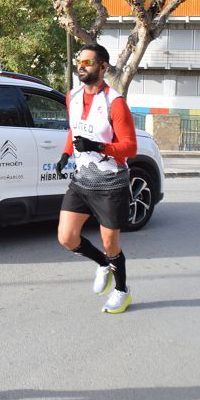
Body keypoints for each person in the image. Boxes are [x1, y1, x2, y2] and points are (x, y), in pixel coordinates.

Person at [54, 43, 138, 314]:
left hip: (110, 183)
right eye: (80, 61)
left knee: (111, 243)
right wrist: (66, 154)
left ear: (103, 67)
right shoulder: (73, 96)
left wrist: (98, 147)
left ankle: (122, 291)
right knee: (67, 237)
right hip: (82, 180)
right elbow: (75, 130)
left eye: (88, 62)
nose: (82, 65)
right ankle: (103, 263)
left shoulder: (115, 102)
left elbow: (130, 147)